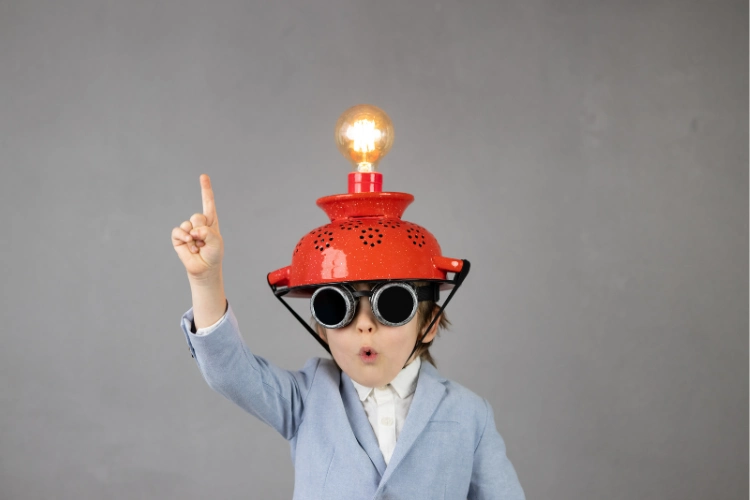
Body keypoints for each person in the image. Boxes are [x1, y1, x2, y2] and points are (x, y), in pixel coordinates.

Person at [172, 174, 525, 499]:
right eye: (336, 308)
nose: (364, 325)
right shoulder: (307, 399)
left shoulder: (468, 414)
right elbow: (229, 372)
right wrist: (206, 281)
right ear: (321, 328)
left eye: (393, 304)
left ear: (429, 323)